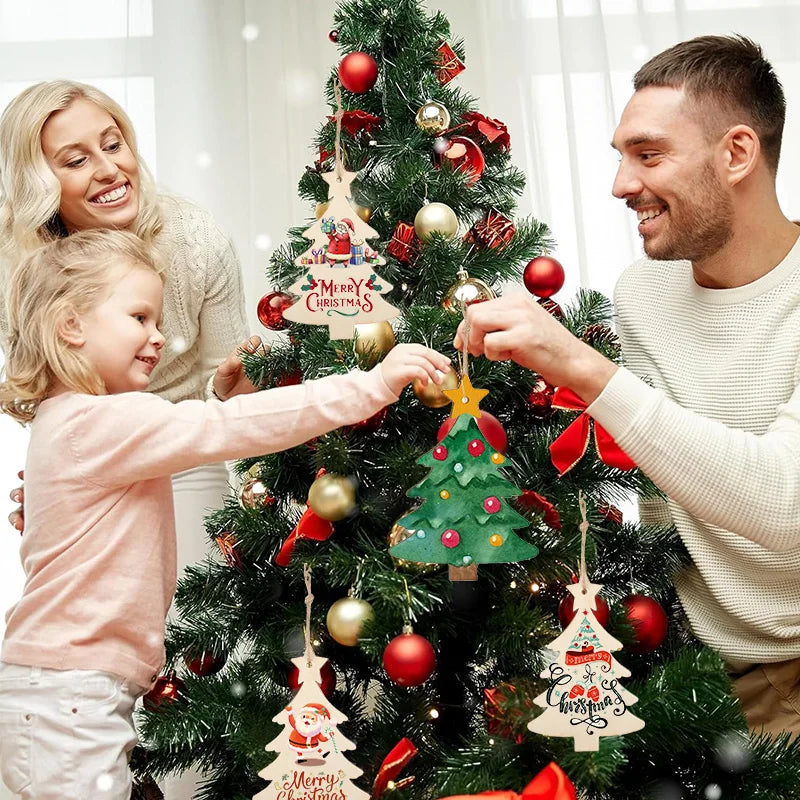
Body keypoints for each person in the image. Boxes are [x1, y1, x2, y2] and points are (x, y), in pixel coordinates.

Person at [0, 229, 450, 800]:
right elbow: (223, 429)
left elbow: (183, 433)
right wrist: (373, 385)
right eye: (139, 317)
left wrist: (215, 398)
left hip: (64, 689)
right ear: (71, 325)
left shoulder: (77, 422)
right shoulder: (97, 422)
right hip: (68, 693)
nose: (157, 336)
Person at [455, 34, 800, 739]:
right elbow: (659, 474)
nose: (620, 185)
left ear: (737, 153)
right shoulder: (643, 294)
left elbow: (785, 505)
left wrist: (580, 366)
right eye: (621, 156)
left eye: (648, 155)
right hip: (683, 669)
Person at [0, 80, 255, 594]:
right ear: (37, 183)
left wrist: (232, 391)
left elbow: (229, 389)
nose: (109, 169)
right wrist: (54, 474)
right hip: (93, 460)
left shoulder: (193, 239)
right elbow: (42, 391)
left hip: (184, 451)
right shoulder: (17, 266)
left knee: (196, 615)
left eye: (113, 145)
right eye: (76, 161)